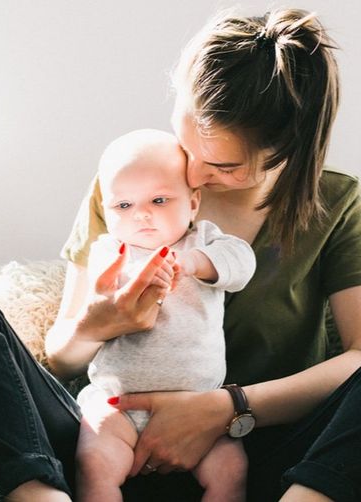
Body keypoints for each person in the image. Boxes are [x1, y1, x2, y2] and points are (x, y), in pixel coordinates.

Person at [0, 7, 361, 502]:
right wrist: (99, 325)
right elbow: (63, 359)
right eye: (187, 141)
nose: (194, 174)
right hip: (104, 444)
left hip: (252, 461)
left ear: (287, 151)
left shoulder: (334, 202)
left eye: (223, 165)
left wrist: (226, 410)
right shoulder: (134, 183)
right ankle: (37, 496)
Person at [74, 128, 255, 502]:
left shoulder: (202, 241)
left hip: (198, 410)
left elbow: (242, 263)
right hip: (117, 406)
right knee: (93, 466)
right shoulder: (111, 249)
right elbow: (101, 289)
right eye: (123, 206)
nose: (141, 215)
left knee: (232, 470)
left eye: (159, 200)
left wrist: (193, 263)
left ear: (192, 204)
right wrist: (117, 284)